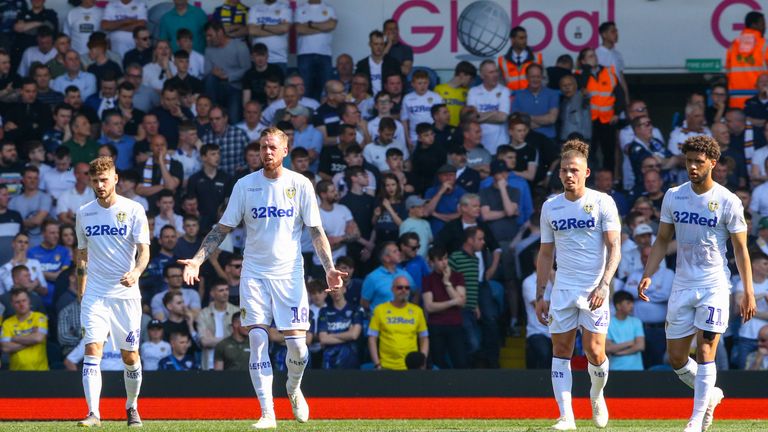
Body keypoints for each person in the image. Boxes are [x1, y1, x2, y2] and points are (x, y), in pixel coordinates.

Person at [177, 127, 345, 429]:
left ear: (284, 150)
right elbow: (222, 228)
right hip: (254, 273)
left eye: (272, 147)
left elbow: (316, 231)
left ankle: (293, 388)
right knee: (257, 338)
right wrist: (198, 259)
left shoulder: (301, 184)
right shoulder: (245, 185)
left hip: (290, 275)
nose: (266, 152)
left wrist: (329, 267)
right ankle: (267, 413)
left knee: (298, 347)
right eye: (262, 147)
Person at [637, 135, 757, 432]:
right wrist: (648, 272)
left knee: (705, 351)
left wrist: (748, 292)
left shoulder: (728, 201)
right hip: (682, 285)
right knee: (677, 359)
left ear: (712, 164)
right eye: (689, 160)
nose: (692, 166)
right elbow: (663, 238)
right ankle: (711, 394)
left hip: (714, 285)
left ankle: (695, 419)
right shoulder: (674, 196)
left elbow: (741, 250)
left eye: (698, 162)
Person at [535, 139, 621, 430]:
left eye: (574, 170)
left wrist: (604, 285)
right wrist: (540, 294)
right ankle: (566, 416)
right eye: (563, 170)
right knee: (561, 350)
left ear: (586, 172)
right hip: (563, 288)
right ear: (558, 174)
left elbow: (614, 247)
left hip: (594, 287)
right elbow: (546, 253)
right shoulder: (551, 207)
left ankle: (597, 395)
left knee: (595, 352)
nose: (568, 175)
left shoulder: (602, 202)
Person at [74, 157, 150, 427]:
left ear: (115, 178)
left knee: (130, 356)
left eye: (104, 179)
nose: (99, 185)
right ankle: (93, 413)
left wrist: (136, 272)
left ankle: (132, 406)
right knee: (92, 348)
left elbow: (144, 252)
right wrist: (81, 289)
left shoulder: (133, 209)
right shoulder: (84, 212)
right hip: (95, 293)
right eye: (94, 181)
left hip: (125, 295)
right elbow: (82, 254)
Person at [368, 275, 428, 370]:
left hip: (411, 368)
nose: (404, 290)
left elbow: (424, 338)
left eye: (407, 288)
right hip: (386, 367)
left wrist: (421, 362)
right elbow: (372, 339)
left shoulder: (417, 311)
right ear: (392, 289)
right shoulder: (379, 310)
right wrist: (377, 364)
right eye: (399, 287)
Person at [422, 246, 466, 369]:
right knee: (438, 363)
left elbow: (462, 303)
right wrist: (452, 302)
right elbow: (429, 306)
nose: (444, 262)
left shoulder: (457, 276)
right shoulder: (428, 279)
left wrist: (447, 282)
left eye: (446, 258)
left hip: (455, 324)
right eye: (440, 260)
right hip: (436, 326)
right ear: (432, 262)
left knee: (460, 362)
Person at [203, 21, 251, 125]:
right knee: (210, 78)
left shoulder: (240, 46)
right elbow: (206, 72)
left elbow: (247, 70)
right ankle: (213, 112)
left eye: (210, 35)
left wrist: (228, 77)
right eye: (206, 36)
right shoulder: (208, 50)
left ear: (220, 32)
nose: (208, 39)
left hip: (234, 88)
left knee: (233, 120)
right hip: (217, 87)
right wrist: (213, 72)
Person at [294, 0, 337, 101]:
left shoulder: (329, 9)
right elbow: (299, 29)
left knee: (326, 91)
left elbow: (331, 25)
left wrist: (309, 24)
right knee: (304, 90)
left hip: (324, 54)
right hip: (305, 54)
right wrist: (323, 27)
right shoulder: (300, 9)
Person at [317, 281, 363, 369]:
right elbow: (323, 339)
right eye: (332, 289)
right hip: (329, 361)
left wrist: (331, 335)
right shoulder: (324, 311)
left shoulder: (355, 309)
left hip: (350, 360)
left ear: (344, 289)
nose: (335, 291)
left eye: (337, 288)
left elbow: (354, 335)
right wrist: (347, 336)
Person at [726, 11, 768, 108]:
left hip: (736, 100)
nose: (765, 27)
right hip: (760, 100)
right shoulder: (764, 45)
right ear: (754, 25)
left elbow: (728, 73)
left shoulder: (733, 45)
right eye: (762, 24)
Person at [467, 60, 510, 154]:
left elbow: (502, 117)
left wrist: (479, 116)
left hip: (500, 146)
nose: (495, 75)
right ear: (482, 76)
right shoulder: (473, 92)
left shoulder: (504, 91)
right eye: (491, 72)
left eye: (496, 71)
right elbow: (470, 117)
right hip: (479, 145)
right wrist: (494, 113)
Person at [0, 288, 48, 370]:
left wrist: (14, 338)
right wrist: (31, 339)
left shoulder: (40, 317)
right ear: (12, 304)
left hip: (40, 371)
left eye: (24, 300)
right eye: (17, 302)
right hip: (16, 374)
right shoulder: (7, 323)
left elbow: (38, 338)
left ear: (29, 301)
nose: (21, 304)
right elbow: (5, 348)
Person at [197, 280, 239, 370]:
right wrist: (229, 339)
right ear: (212, 293)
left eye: (227, 289)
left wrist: (213, 340)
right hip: (209, 364)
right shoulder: (203, 314)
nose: (225, 293)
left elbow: (239, 340)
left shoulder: (236, 312)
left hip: (231, 364)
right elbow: (204, 342)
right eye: (221, 290)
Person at [247, 0, 293, 72]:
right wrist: (277, 29)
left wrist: (262, 26)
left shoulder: (284, 8)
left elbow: (284, 29)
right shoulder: (255, 8)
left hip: (279, 59)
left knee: (279, 83)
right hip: (258, 59)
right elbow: (252, 31)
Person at [605, 291, 645, 371]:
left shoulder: (636, 321)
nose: (632, 306)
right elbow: (607, 348)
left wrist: (619, 352)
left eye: (632, 303)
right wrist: (630, 343)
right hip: (615, 369)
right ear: (618, 306)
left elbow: (640, 346)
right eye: (628, 303)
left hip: (636, 369)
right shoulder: (608, 323)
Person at [497, 26, 542, 93]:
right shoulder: (503, 60)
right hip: (511, 99)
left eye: (525, 38)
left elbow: (543, 80)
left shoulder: (536, 58)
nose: (525, 41)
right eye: (521, 38)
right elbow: (500, 82)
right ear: (512, 40)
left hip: (531, 97)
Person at [355, 30, 400, 96]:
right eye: (376, 44)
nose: (379, 47)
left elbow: (400, 84)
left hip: (388, 100)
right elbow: (356, 85)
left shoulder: (393, 63)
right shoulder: (362, 64)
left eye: (381, 44)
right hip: (367, 101)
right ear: (370, 44)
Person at [434, 61, 477, 128]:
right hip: (444, 130)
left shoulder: (468, 92)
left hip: (459, 130)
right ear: (462, 74)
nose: (471, 82)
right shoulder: (439, 89)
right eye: (470, 78)